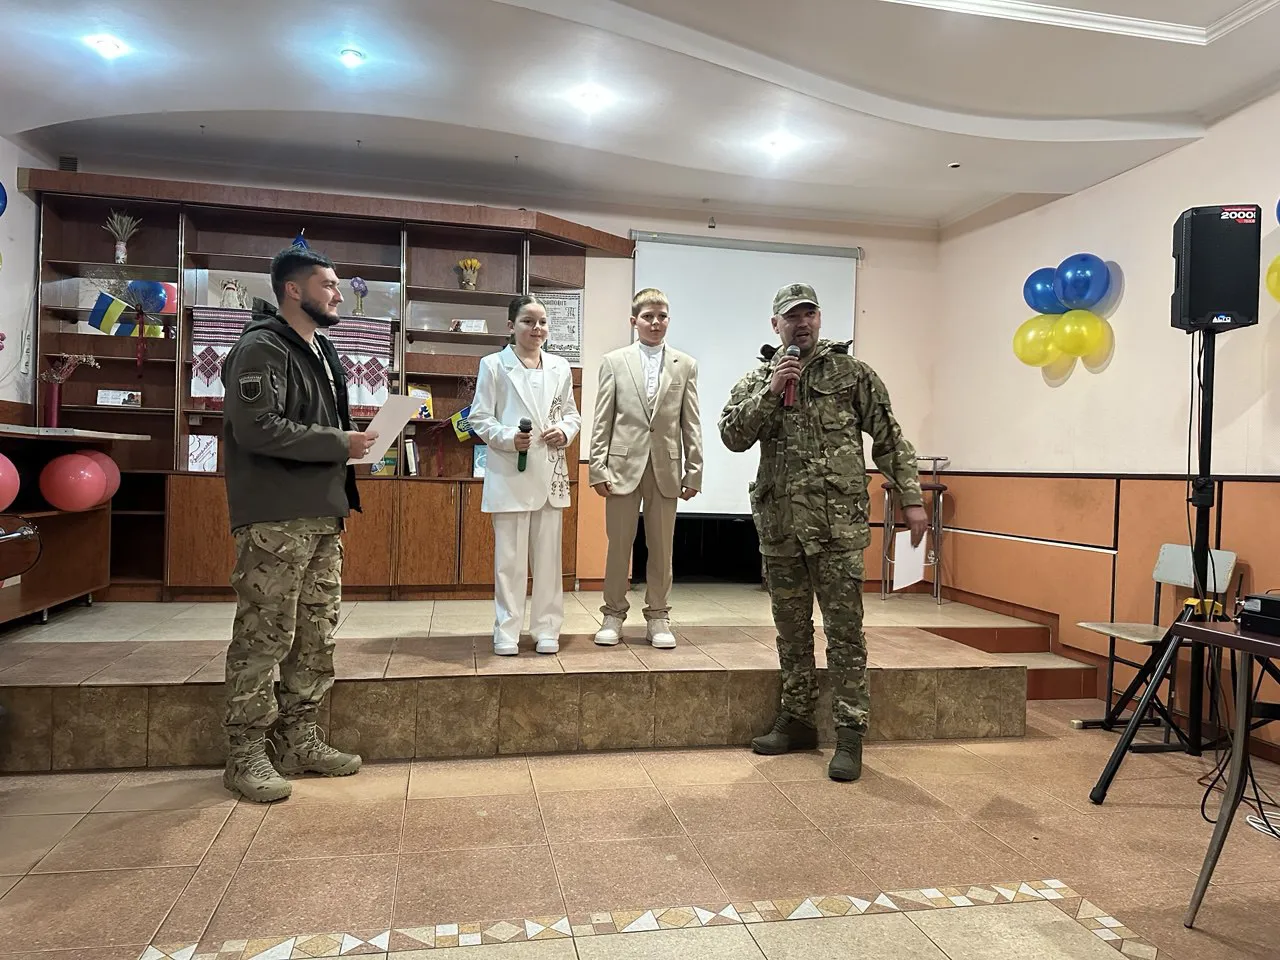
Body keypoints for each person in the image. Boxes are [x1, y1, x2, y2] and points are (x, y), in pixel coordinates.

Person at [718, 282, 927, 783]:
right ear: (776, 325)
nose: (802, 323)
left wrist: (912, 498)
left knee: (845, 634)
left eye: (809, 313)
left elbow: (889, 438)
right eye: (792, 316)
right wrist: (771, 392)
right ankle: (797, 721)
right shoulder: (758, 379)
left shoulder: (851, 374)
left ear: (819, 319)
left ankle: (850, 734)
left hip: (837, 528)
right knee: (792, 633)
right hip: (782, 527)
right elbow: (732, 436)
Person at [220, 246, 379, 803]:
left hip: (322, 511)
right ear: (293, 289)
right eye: (328, 285)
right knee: (265, 634)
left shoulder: (322, 349)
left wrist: (354, 442)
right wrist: (340, 442)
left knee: (315, 634)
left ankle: (298, 741)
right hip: (275, 514)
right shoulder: (261, 347)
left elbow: (315, 424)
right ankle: (245, 754)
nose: (338, 295)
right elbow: (257, 427)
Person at [590, 288, 703, 648]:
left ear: (669, 319)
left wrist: (694, 470)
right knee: (618, 546)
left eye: (662, 316)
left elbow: (691, 422)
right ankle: (612, 614)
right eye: (648, 316)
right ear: (634, 321)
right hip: (621, 468)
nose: (656, 322)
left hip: (666, 468)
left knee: (662, 548)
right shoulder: (614, 361)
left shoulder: (685, 364)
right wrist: (597, 467)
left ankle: (658, 616)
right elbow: (603, 419)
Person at [469, 295, 581, 656]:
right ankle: (507, 631)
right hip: (510, 474)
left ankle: (547, 628)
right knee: (510, 562)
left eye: (542, 322)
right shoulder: (493, 365)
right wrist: (507, 438)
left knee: (549, 562)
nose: (537, 328)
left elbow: (571, 414)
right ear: (511, 326)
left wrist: (565, 431)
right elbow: (479, 417)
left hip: (549, 473)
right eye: (528, 321)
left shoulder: (560, 366)